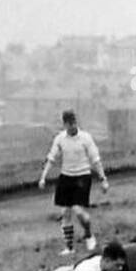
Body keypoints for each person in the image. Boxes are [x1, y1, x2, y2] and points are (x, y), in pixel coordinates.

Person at [38, 109, 108, 255]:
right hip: (66, 177)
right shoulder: (60, 139)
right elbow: (51, 158)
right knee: (65, 213)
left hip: (82, 176)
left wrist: (103, 179)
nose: (72, 127)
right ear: (65, 125)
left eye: (74, 123)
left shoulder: (86, 138)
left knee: (78, 210)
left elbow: (95, 159)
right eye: (69, 124)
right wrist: (43, 177)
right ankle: (69, 247)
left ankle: (88, 234)